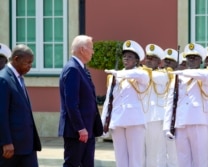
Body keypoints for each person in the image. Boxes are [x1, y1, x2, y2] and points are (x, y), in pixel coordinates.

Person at [163, 43, 208, 167]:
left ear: (201, 60)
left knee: (201, 159)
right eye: (189, 57)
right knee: (183, 159)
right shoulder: (178, 77)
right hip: (180, 122)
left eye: (195, 57)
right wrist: (167, 126)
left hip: (198, 121)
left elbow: (205, 75)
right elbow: (170, 102)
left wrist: (182, 72)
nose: (191, 60)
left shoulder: (206, 74)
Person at [102, 40, 150, 167]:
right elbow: (108, 101)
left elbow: (139, 74)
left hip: (134, 121)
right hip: (117, 120)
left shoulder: (141, 74)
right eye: (124, 56)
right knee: (120, 158)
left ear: (136, 61)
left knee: (135, 159)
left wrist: (119, 74)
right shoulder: (115, 76)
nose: (126, 59)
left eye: (130, 57)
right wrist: (103, 124)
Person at [58, 35, 100, 167]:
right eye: (91, 48)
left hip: (87, 130)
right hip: (78, 132)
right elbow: (71, 103)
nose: (93, 52)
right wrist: (80, 128)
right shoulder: (73, 69)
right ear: (82, 49)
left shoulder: (80, 68)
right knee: (73, 164)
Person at [0, 44, 41, 167]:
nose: (30, 66)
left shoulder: (19, 78)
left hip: (26, 146)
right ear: (16, 59)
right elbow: (1, 113)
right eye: (27, 63)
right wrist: (6, 142)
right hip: (12, 148)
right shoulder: (4, 79)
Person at [143, 44, 169, 167]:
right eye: (147, 57)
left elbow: (155, 77)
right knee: (141, 153)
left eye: (152, 58)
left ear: (159, 62)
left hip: (155, 118)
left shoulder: (163, 74)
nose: (148, 60)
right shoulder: (140, 73)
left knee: (156, 152)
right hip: (141, 117)